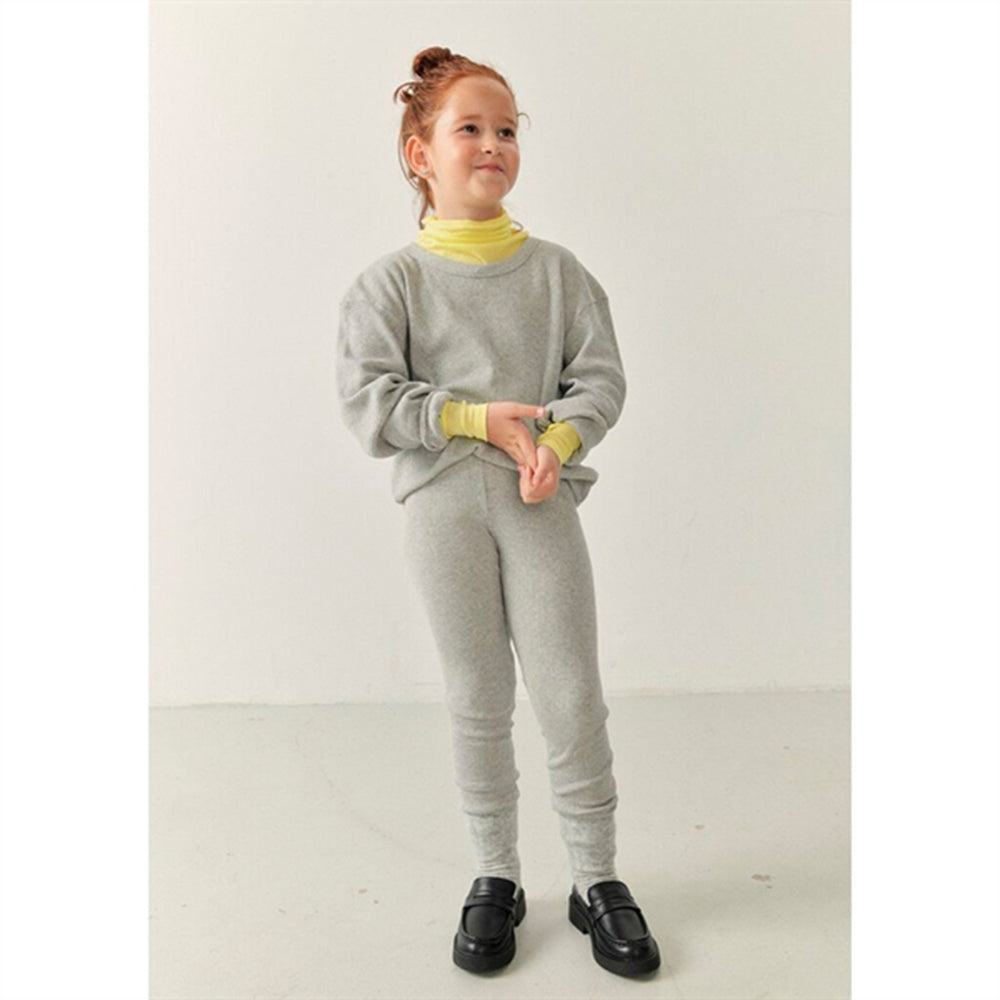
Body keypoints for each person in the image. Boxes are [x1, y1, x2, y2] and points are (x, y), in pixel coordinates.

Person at [336, 45, 660, 979]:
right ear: (419, 154)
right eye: (469, 128)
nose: (492, 144)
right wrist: (475, 418)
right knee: (476, 697)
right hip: (442, 511)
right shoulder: (387, 287)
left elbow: (599, 379)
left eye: (507, 129)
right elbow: (368, 401)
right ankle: (497, 875)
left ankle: (596, 877)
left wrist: (558, 441)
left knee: (570, 693)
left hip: (538, 503)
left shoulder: (559, 274)